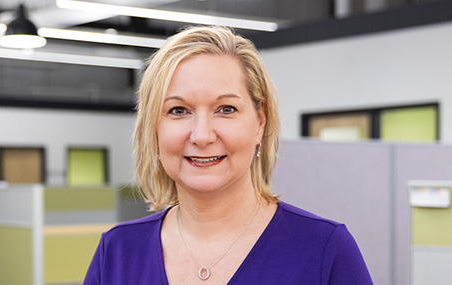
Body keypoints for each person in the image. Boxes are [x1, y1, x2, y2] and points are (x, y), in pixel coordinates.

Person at [83, 26, 373, 285]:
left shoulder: (324, 250)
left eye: (226, 109)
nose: (202, 135)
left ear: (260, 122)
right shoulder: (118, 251)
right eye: (178, 110)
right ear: (153, 128)